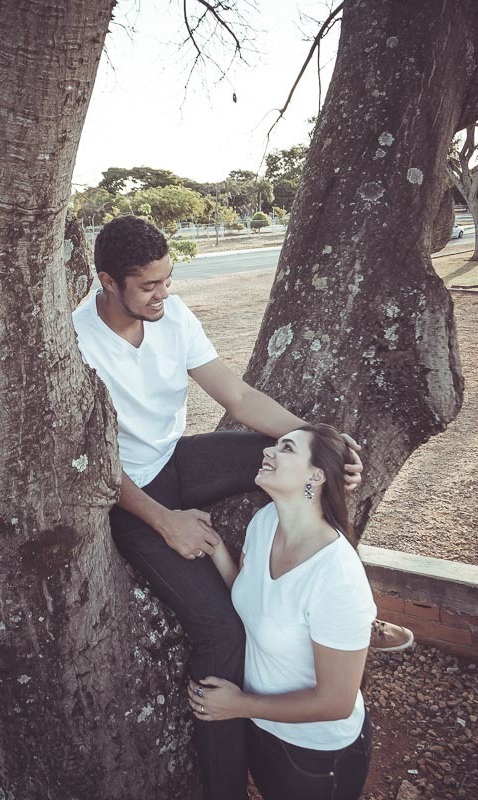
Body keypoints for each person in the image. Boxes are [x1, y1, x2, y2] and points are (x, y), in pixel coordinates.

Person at [71, 215, 409, 798]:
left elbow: (239, 395)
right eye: (149, 286)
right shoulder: (75, 343)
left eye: (167, 279)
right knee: (221, 631)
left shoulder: (171, 317)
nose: (163, 294)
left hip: (175, 458)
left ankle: (340, 613)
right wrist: (163, 520)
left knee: (286, 456)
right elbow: (90, 466)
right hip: (130, 493)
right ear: (107, 281)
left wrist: (323, 443)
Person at [188, 424, 375, 800]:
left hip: (318, 755)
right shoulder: (265, 522)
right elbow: (252, 597)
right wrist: (216, 548)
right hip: (263, 729)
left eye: (285, 448)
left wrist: (239, 706)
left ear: (316, 475)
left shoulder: (337, 576)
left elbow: (336, 702)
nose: (268, 452)